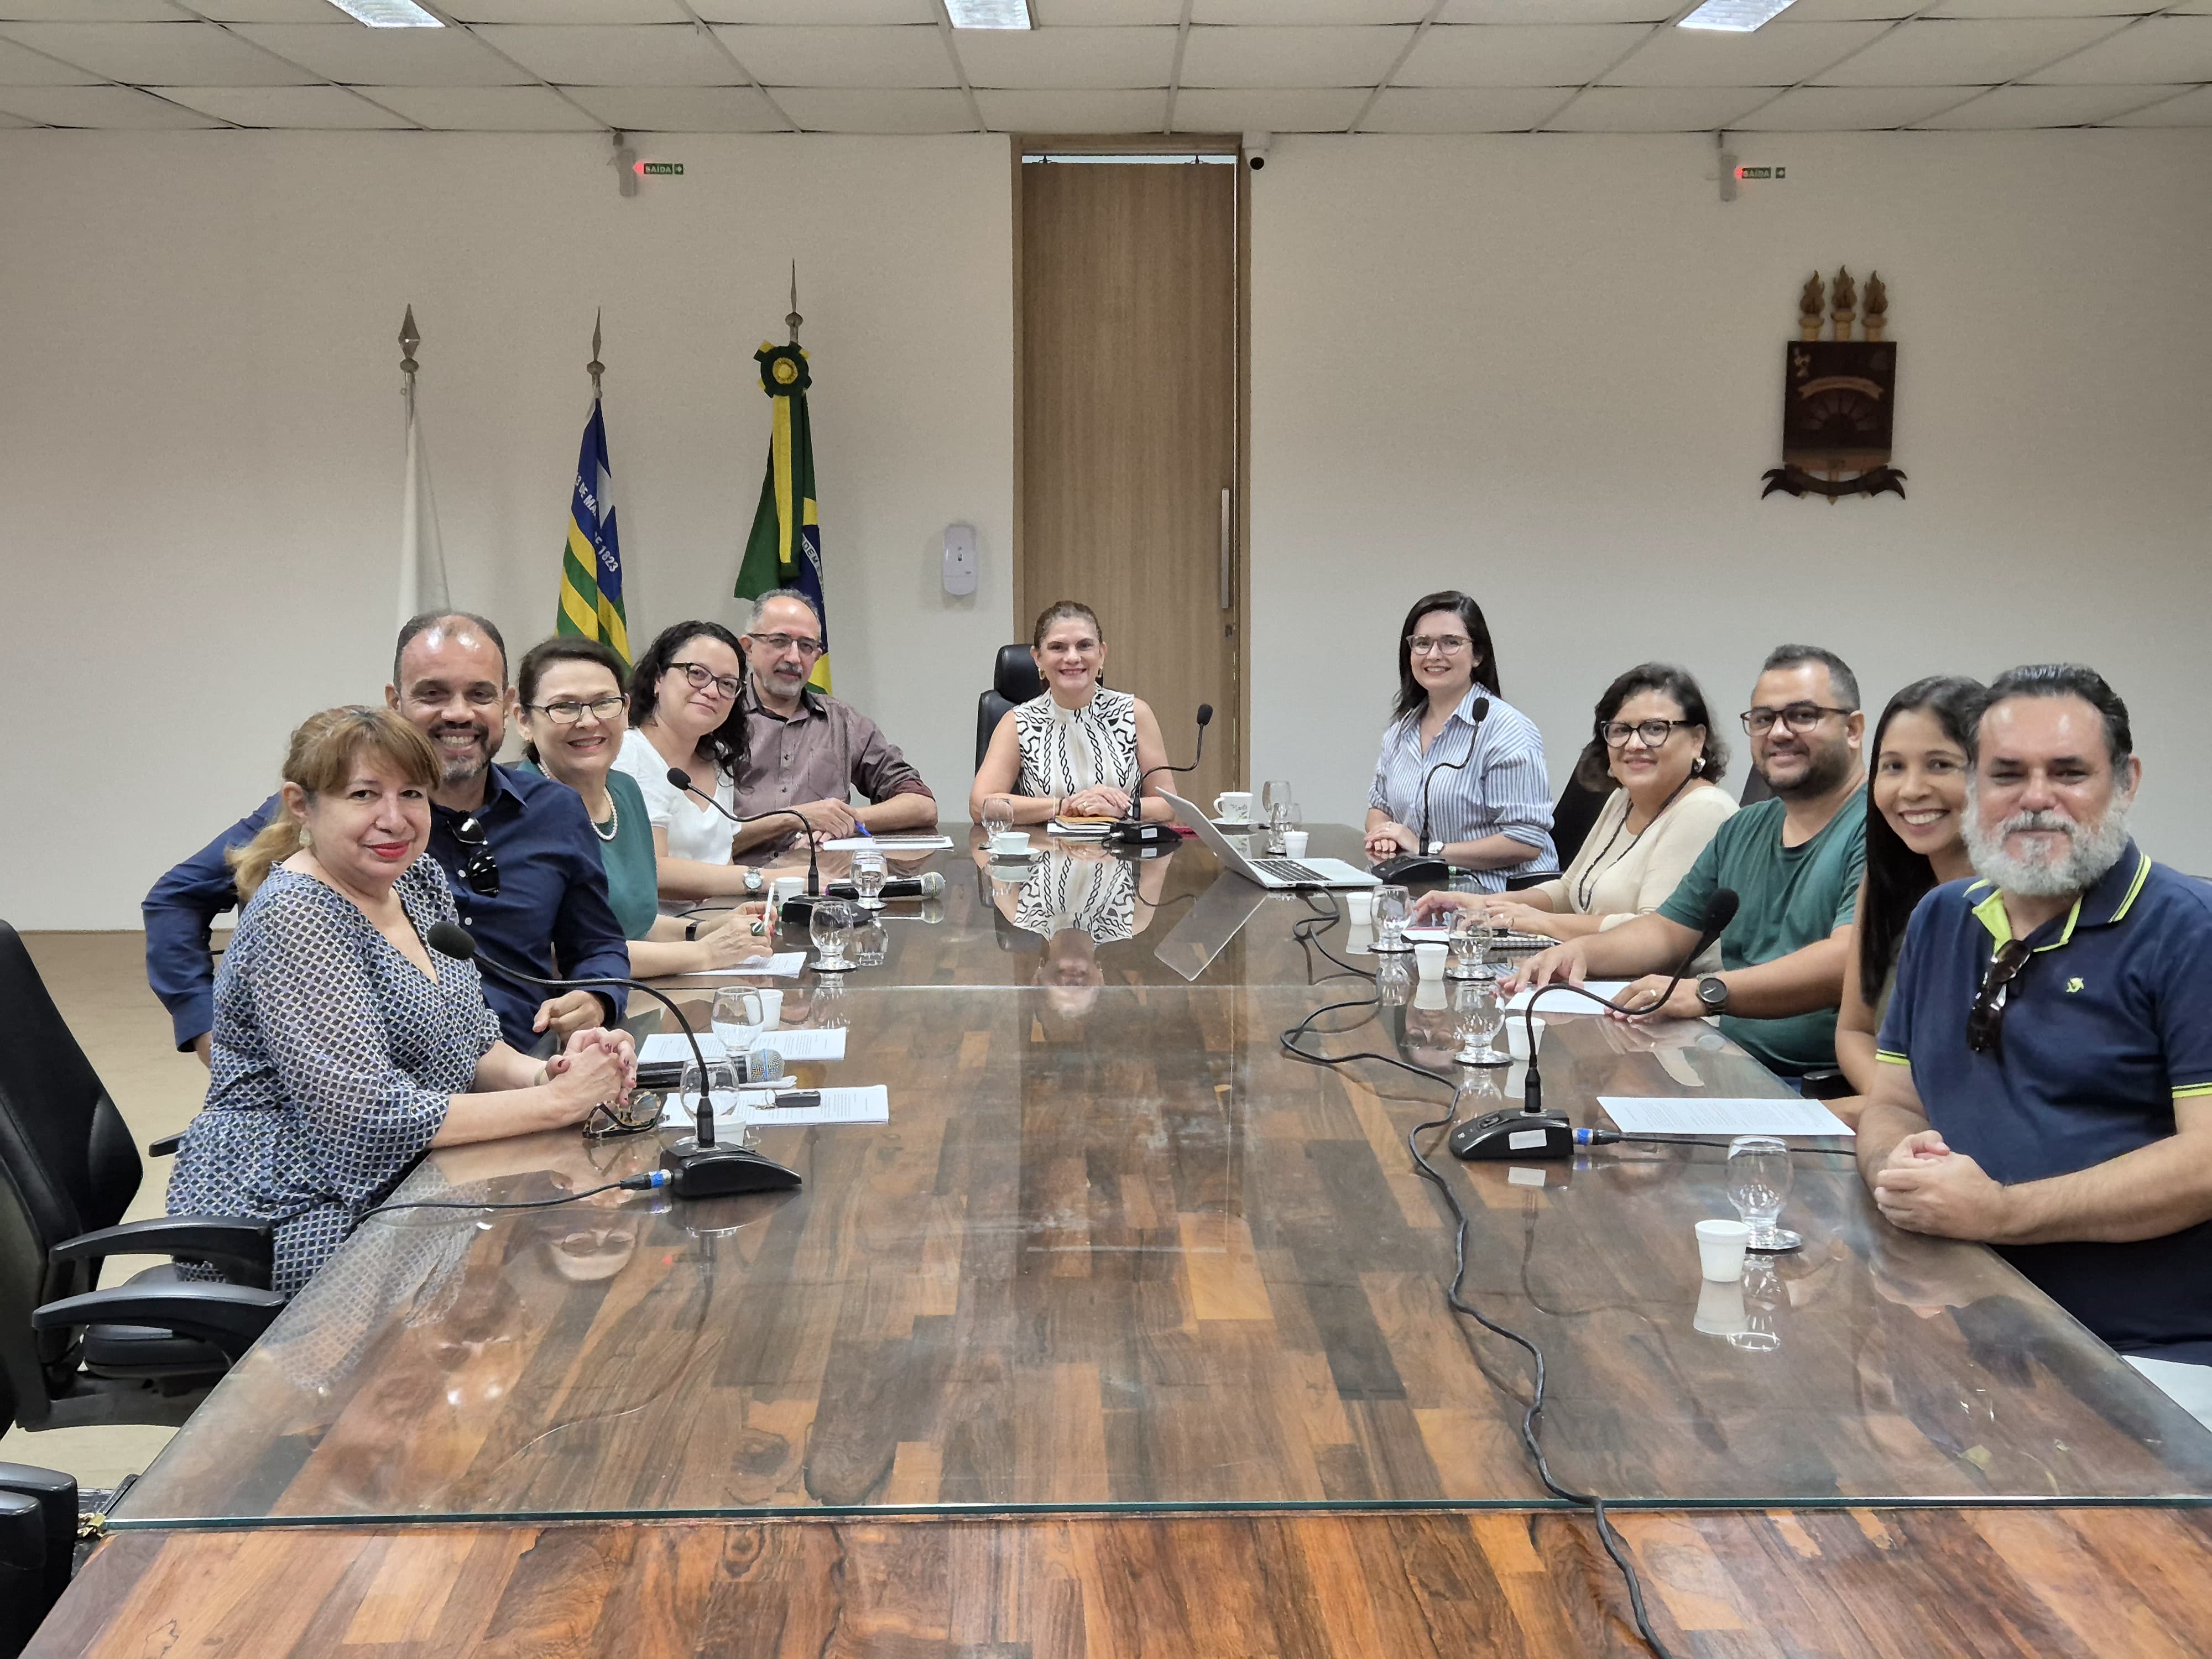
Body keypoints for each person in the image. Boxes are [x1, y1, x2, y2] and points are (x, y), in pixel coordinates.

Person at [163, 707, 636, 1296]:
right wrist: (558, 1104)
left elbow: (472, 1043)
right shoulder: (299, 914)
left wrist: (554, 1070)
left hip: (406, 1179)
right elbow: (371, 1119)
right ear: (301, 804)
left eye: (411, 793)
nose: (394, 819)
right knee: (516, 1271)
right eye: (364, 794)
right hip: (286, 1212)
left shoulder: (417, 881)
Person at [1857, 665, 2212, 1423]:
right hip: (1956, 1326)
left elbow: (2207, 1159)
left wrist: (2003, 1214)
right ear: (1977, 789)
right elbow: (1892, 1098)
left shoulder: (2191, 931)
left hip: (2142, 1363)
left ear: (2127, 782)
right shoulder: (1941, 918)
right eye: (2008, 774)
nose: (2037, 798)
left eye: (2070, 773)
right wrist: (1897, 1163)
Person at [145, 613, 630, 1061]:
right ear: (396, 704)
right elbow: (174, 900)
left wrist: (597, 998)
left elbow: (598, 943)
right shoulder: (329, 815)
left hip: (524, 1066)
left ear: (507, 705)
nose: (458, 714)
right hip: (382, 1093)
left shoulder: (556, 810)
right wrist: (209, 1030)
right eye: (433, 695)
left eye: (480, 695)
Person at [1509, 644, 1868, 1082]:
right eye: (1763, 719)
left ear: (1853, 729)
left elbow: (1847, 960)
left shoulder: (1879, 829)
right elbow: (1666, 930)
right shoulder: (1746, 828)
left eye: (1802, 716)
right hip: (1725, 1061)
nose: (1778, 733)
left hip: (1812, 1085)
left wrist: (1706, 993)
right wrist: (1577, 952)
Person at [1415, 662, 1735, 958]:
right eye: (1621, 730)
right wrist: (1486, 905)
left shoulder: (1704, 811)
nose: (1635, 744)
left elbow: (1652, 931)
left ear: (1697, 740)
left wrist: (1543, 923)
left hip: (1665, 996)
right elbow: (1569, 890)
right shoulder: (1623, 799)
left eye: (1655, 729)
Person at [513, 637, 773, 979]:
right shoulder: (518, 809)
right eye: (565, 707)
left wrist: (701, 930)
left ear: (625, 709)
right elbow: (568, 954)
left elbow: (633, 924)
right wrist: (703, 953)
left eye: (604, 703)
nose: (589, 721)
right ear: (524, 721)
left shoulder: (624, 791)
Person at [1830, 676, 1984, 1119]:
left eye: (1940, 765)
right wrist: (1895, 1103)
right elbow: (1856, 1032)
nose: (1911, 789)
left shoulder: (2022, 903)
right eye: (1893, 767)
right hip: (1903, 1120)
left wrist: (1899, 1112)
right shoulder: (1883, 882)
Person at [1363, 590, 1556, 891]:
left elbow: (1525, 841)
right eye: (1422, 643)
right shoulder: (1403, 729)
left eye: (1450, 642)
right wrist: (1384, 835)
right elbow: (1380, 807)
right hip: (1423, 894)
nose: (1433, 655)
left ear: (1478, 655)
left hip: (1495, 903)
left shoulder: (1506, 729)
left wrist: (1427, 850)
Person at [728, 589, 937, 853]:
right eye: (780, 641)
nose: (794, 658)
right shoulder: (719, 716)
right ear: (748, 647)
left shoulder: (843, 722)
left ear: (817, 656)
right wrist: (797, 818)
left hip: (823, 886)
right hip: (738, 883)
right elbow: (693, 839)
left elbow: (922, 805)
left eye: (806, 646)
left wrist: (841, 821)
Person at [969, 601, 1173, 826]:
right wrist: (1063, 806)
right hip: (1045, 854)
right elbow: (981, 806)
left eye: (1085, 645)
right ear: (1038, 658)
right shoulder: (1018, 722)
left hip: (1122, 855)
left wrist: (1120, 808)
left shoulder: (1135, 713)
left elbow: (1167, 806)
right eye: (1058, 647)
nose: (1073, 658)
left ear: (1102, 654)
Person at [610, 619, 768, 902]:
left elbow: (722, 863)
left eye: (727, 684)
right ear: (659, 679)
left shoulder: (718, 758)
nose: (711, 691)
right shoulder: (628, 754)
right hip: (659, 937)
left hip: (721, 925)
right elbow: (654, 870)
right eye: (697, 674)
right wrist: (767, 879)